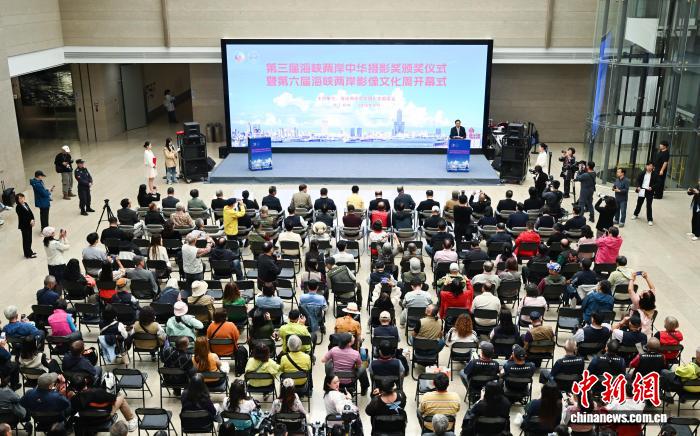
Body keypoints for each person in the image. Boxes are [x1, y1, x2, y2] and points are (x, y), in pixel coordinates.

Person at [70, 374, 137, 431]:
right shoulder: (97, 392)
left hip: (86, 419)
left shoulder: (73, 399)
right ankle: (131, 421)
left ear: (74, 387)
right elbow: (113, 399)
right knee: (121, 397)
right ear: (85, 381)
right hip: (104, 417)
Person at [633, 161, 659, 225]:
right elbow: (637, 180)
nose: (649, 167)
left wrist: (652, 187)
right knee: (639, 203)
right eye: (648, 165)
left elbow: (658, 183)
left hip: (649, 191)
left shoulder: (655, 174)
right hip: (642, 190)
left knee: (649, 205)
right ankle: (635, 214)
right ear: (646, 166)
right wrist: (638, 186)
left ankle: (650, 219)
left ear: (653, 167)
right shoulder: (642, 173)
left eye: (651, 166)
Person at [15, 193, 36, 258]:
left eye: (22, 198)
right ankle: (27, 254)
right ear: (17, 200)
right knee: (26, 240)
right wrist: (30, 221)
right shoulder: (18, 207)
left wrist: (33, 219)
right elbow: (23, 217)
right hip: (24, 226)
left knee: (29, 239)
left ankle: (29, 251)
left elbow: (30, 212)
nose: (21, 199)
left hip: (29, 225)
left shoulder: (25, 204)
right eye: (19, 199)